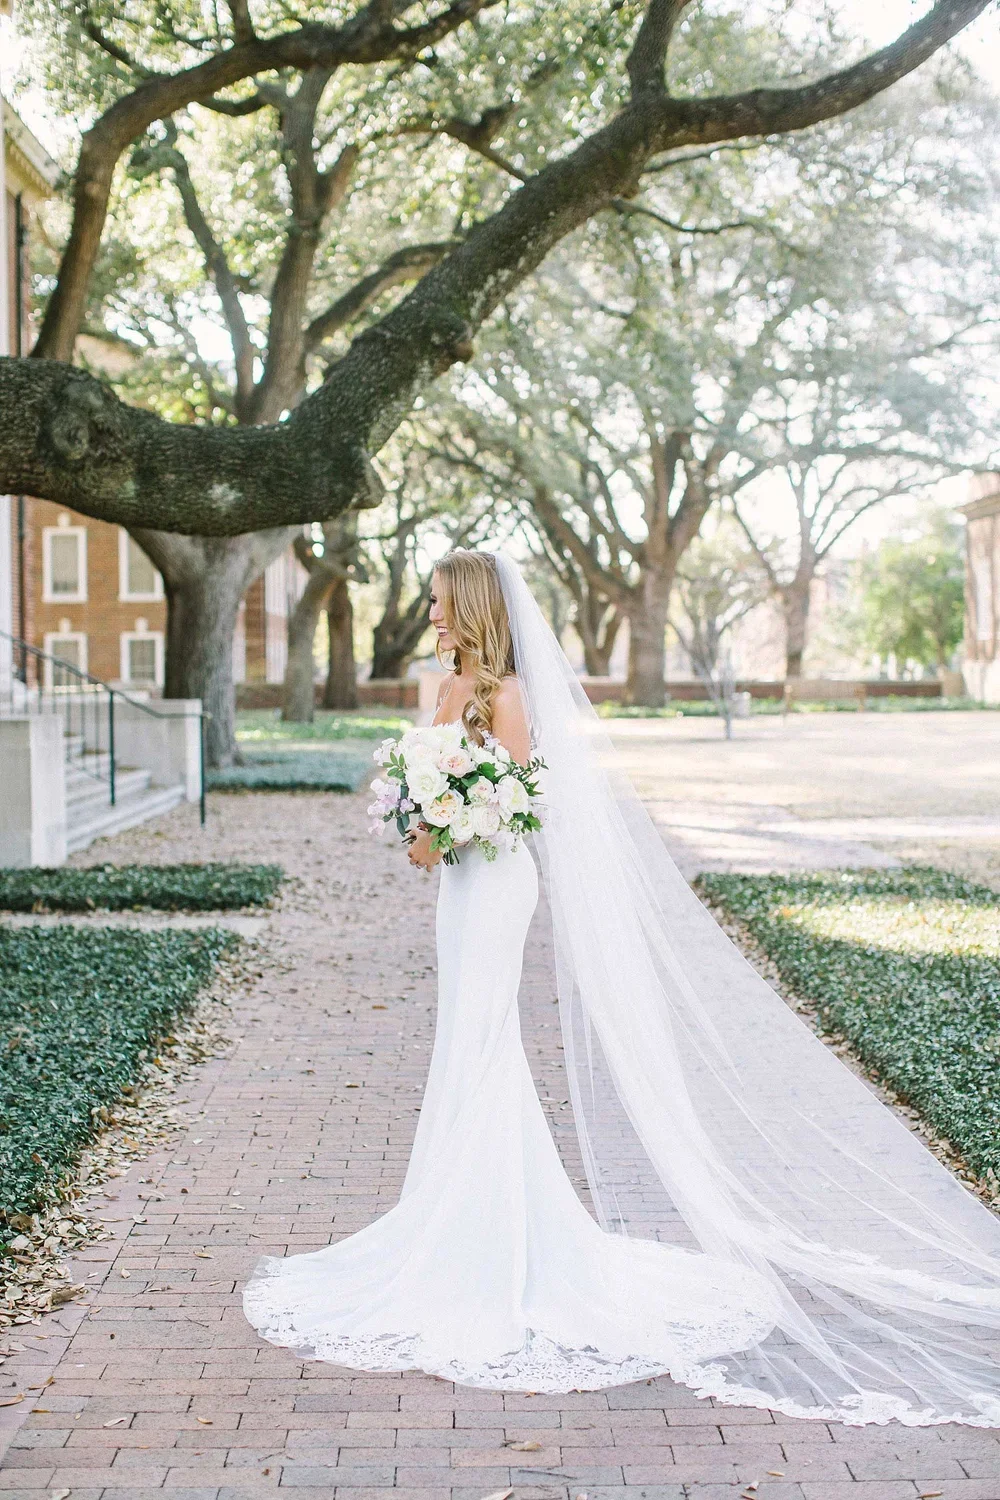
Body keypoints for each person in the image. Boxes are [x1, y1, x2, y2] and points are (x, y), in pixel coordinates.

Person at [245, 549, 1000, 1426]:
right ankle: (454, 1222)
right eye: (432, 603)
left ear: (478, 608)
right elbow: (431, 820)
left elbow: (521, 808)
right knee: (465, 1045)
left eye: (444, 604)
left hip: (495, 888)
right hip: (457, 893)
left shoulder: (510, 697)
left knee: (485, 1046)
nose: (433, 615)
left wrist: (452, 812)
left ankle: (481, 1242)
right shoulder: (441, 688)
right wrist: (427, 816)